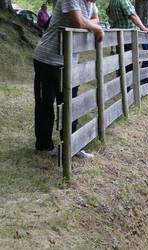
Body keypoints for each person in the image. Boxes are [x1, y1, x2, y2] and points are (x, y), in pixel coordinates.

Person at [33, 0, 104, 157]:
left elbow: (95, 19)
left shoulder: (91, 3)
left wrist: (91, 24)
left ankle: (71, 146)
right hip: (47, 59)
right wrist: (94, 27)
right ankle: (44, 146)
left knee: (71, 104)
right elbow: (78, 22)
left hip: (70, 62)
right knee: (45, 103)